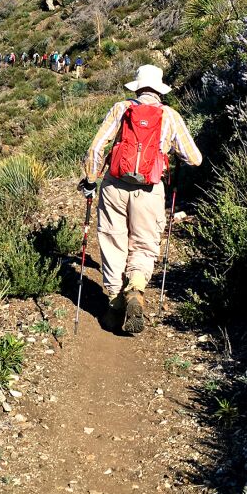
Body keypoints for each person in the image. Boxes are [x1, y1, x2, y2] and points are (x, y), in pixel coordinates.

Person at [78, 64, 202, 335]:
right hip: (150, 190)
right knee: (145, 244)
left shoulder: (121, 109)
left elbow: (97, 148)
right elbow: (194, 157)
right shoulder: (169, 116)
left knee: (112, 240)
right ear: (159, 90)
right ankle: (135, 285)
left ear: (136, 87)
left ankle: (113, 304)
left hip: (114, 186)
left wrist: (90, 180)